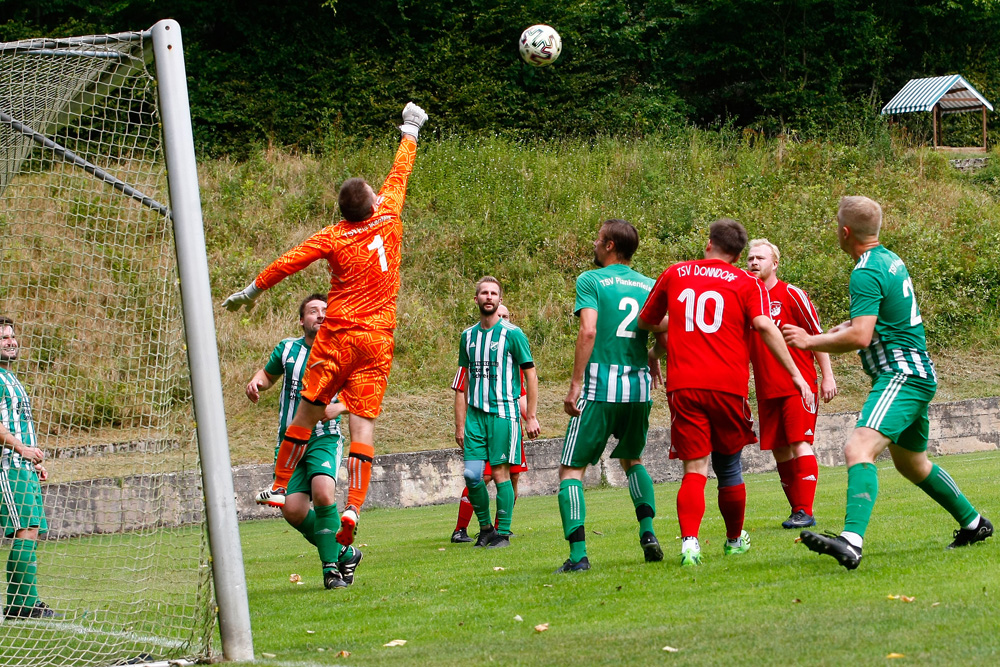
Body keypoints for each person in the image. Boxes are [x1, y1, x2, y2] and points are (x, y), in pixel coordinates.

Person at [223, 102, 428, 546]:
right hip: (377, 340)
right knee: (363, 426)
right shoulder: (389, 216)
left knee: (306, 411)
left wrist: (253, 290)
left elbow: (291, 261)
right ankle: (353, 504)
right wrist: (410, 128)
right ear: (373, 202)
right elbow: (400, 172)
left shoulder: (333, 236)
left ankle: (279, 483)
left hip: (336, 339)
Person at [783, 196, 992, 569]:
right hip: (917, 371)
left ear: (844, 232)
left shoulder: (864, 271)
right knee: (912, 464)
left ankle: (851, 541)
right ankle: (974, 524)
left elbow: (862, 337)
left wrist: (810, 340)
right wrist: (846, 326)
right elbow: (884, 318)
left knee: (857, 448)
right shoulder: (890, 260)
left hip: (901, 374)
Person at [639, 219, 813, 566]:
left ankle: (690, 543)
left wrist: (659, 349)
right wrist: (797, 374)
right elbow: (763, 325)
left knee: (695, 468)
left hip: (685, 385)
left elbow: (649, 320)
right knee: (730, 467)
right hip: (727, 387)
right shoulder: (747, 283)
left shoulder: (675, 273)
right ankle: (734, 540)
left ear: (709, 244)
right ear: (738, 254)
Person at [555, 219, 660, 573]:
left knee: (571, 471)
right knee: (633, 460)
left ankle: (578, 556)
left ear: (611, 245)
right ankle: (648, 533)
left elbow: (589, 330)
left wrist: (574, 385)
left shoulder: (591, 280)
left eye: (598, 239)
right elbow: (665, 326)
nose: (595, 243)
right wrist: (655, 357)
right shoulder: (648, 284)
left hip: (600, 386)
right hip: (638, 388)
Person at [244, 295, 362, 589]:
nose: (320, 315)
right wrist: (257, 383)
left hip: (324, 437)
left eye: (325, 311)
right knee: (293, 510)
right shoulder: (287, 349)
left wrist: (340, 406)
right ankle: (345, 552)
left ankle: (331, 570)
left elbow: (362, 391)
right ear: (302, 320)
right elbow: (268, 376)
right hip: (290, 443)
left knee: (323, 493)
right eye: (313, 311)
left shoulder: (341, 352)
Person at [746, 239, 838, 529]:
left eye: (760, 258)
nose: (754, 263)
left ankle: (805, 510)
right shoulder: (745, 298)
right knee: (780, 450)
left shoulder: (791, 294)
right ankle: (798, 510)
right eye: (749, 258)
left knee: (800, 443)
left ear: (775, 263)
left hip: (798, 385)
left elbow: (817, 335)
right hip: (766, 387)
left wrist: (827, 376)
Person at [455, 277, 540, 549]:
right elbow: (463, 380)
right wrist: (460, 422)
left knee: (502, 474)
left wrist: (533, 415)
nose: (489, 297)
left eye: (494, 293)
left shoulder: (513, 334)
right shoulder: (467, 336)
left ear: (499, 300)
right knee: (472, 475)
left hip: (504, 414)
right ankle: (485, 528)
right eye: (484, 293)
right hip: (475, 418)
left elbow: (531, 375)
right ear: (477, 299)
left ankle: (502, 533)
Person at [0, 317, 55, 618]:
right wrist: (21, 450)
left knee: (31, 530)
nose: (10, 342)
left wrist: (32, 461)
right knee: (24, 529)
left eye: (12, 336)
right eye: (3, 338)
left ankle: (25, 601)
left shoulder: (12, 379)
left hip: (23, 466)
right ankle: (21, 604)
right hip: (7, 466)